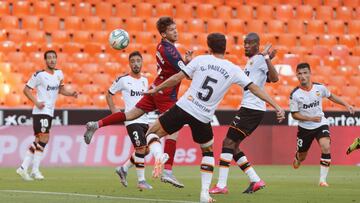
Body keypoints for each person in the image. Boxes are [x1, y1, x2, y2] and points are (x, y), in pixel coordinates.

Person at [144, 33, 285, 203]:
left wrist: (156, 89)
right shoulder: (232, 68)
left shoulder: (200, 60)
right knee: (208, 152)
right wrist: (276, 105)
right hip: (203, 116)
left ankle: (159, 155)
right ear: (225, 48)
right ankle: (205, 194)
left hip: (185, 106)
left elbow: (176, 78)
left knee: (151, 132)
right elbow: (254, 88)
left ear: (209, 47)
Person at [84, 16, 192, 188]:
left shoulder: (161, 46)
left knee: (131, 115)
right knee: (173, 130)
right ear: (164, 34)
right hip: (165, 92)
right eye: (172, 30)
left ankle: (96, 125)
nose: (176, 31)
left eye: (175, 28)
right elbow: (185, 73)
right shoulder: (170, 50)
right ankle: (167, 171)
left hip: (156, 87)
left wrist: (184, 63)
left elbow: (175, 67)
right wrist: (190, 66)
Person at [210, 32, 279, 194]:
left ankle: (221, 185)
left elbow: (275, 78)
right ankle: (255, 180)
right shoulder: (252, 61)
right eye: (244, 43)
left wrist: (267, 58)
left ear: (257, 44)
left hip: (251, 109)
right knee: (233, 147)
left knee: (227, 143)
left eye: (249, 43)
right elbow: (265, 78)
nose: (245, 46)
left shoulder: (261, 58)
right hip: (249, 108)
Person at [290, 62, 355, 187]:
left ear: (310, 74)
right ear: (297, 76)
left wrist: (346, 104)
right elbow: (294, 115)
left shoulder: (320, 88)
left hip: (320, 123)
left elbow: (331, 96)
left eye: (305, 73)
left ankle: (322, 180)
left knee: (326, 146)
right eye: (299, 74)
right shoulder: (295, 94)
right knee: (302, 156)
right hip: (305, 128)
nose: (302, 76)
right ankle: (298, 157)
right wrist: (310, 118)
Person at [16, 50, 78, 181]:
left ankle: (23, 168)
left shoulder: (59, 73)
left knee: (39, 140)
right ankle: (35, 170)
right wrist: (36, 102)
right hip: (40, 111)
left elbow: (61, 89)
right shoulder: (39, 75)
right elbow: (26, 90)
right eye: (49, 58)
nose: (52, 60)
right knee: (44, 138)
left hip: (49, 112)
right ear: (45, 60)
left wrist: (71, 93)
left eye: (54, 58)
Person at [107, 51, 152, 190]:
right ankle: (141, 181)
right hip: (131, 120)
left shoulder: (145, 80)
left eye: (138, 60)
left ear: (142, 62)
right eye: (133, 61)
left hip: (145, 119)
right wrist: (114, 110)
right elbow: (109, 94)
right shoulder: (123, 80)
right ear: (129, 63)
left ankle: (123, 168)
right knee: (140, 148)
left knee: (146, 150)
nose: (136, 63)